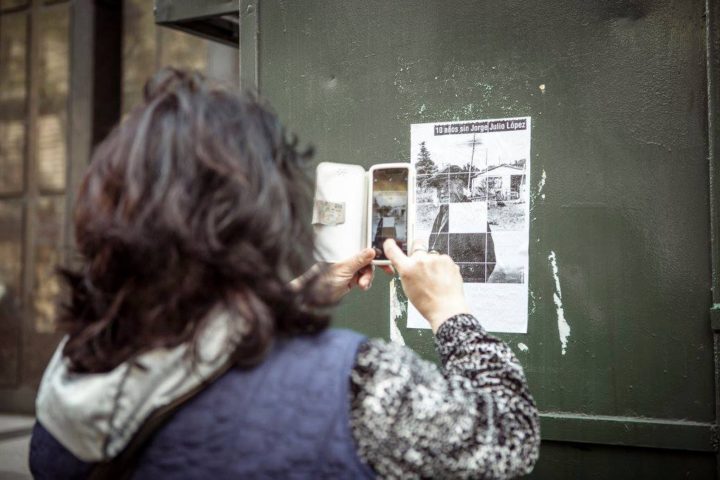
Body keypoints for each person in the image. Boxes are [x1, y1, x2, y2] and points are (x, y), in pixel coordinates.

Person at [28, 69, 539, 479]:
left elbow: (203, 344)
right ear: (263, 214)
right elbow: (510, 441)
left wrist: (296, 294)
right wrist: (451, 313)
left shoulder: (75, 367)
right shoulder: (354, 383)